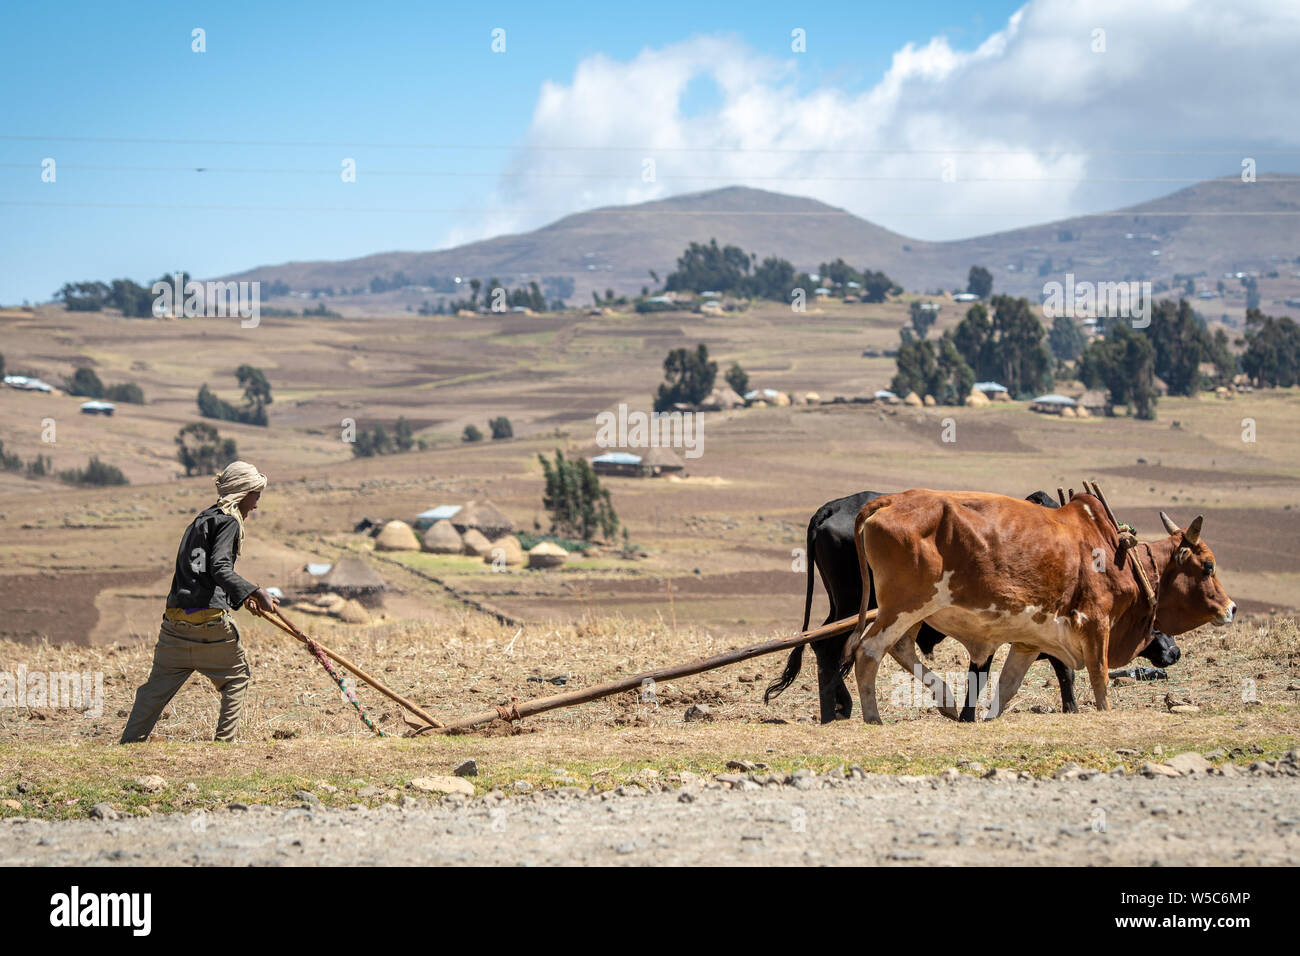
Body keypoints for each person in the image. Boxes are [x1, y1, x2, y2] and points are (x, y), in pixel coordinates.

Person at [120, 461, 279, 743]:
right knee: (236, 679)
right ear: (242, 493)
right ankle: (224, 745)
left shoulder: (201, 521)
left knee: (154, 691)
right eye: (256, 495)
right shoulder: (229, 521)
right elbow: (219, 568)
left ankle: (129, 742)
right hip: (210, 625)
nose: (256, 505)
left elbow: (200, 573)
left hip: (175, 623)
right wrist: (257, 591)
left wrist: (242, 597)